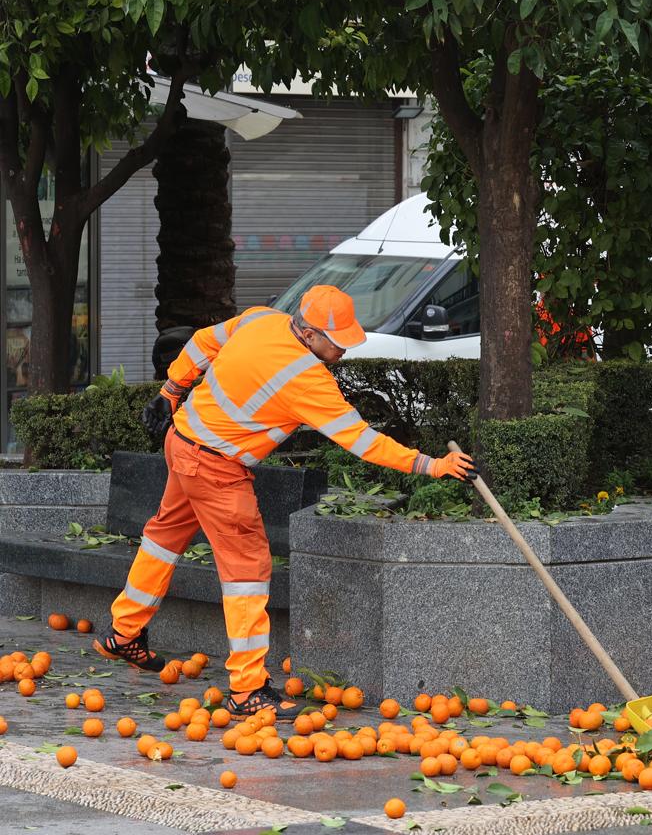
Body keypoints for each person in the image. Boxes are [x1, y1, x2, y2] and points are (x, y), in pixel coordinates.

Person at [93, 286, 476, 718]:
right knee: (248, 571)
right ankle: (248, 688)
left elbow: (202, 342)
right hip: (218, 470)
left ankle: (124, 631)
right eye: (338, 341)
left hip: (182, 443)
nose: (344, 350)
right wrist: (431, 465)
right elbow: (362, 441)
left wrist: (170, 391)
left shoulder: (261, 318)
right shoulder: (306, 378)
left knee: (164, 537)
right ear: (310, 334)